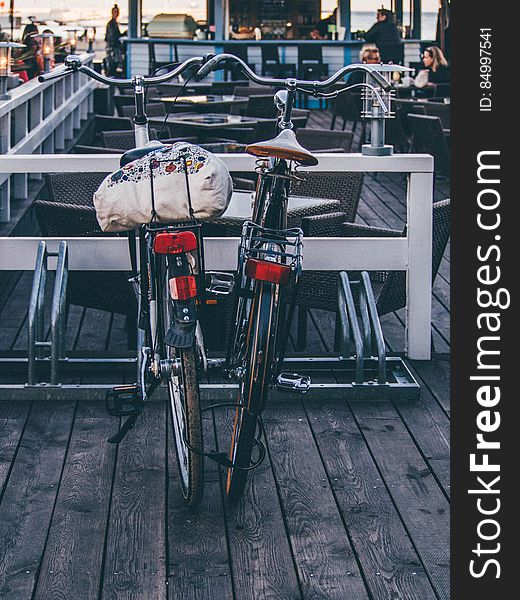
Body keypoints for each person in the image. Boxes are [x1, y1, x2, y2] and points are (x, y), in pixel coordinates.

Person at [105, 4, 124, 77]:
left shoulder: (114, 23)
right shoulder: (111, 23)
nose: (116, 13)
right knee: (112, 63)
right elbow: (112, 36)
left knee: (115, 62)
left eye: (117, 12)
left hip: (114, 46)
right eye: (115, 12)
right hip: (112, 46)